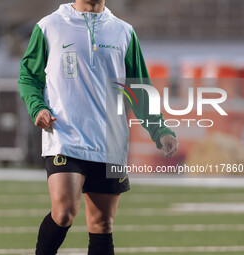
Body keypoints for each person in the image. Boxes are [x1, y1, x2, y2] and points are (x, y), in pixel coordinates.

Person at [18, 0, 178, 254]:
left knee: (102, 223)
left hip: (109, 143)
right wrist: (37, 108)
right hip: (65, 136)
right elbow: (28, 76)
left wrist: (159, 129)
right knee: (64, 212)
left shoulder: (124, 31)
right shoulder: (49, 26)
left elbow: (139, 87)